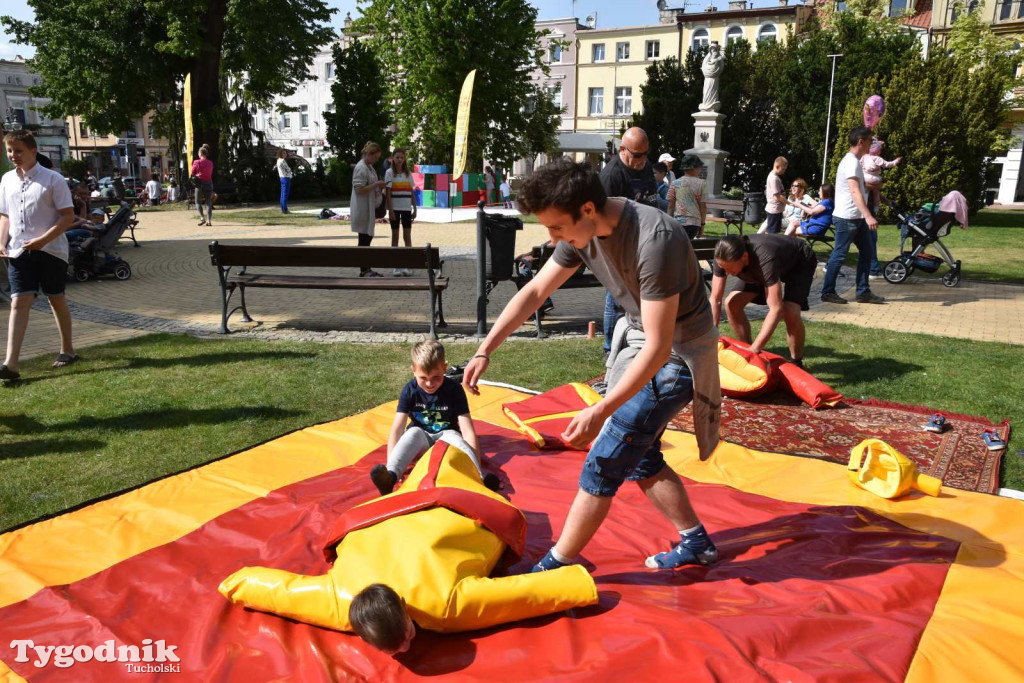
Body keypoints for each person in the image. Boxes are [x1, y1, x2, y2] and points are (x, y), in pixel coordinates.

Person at [463, 158, 723, 574]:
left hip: (681, 352)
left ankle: (556, 565)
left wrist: (600, 408)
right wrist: (485, 349)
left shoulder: (654, 240)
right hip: (644, 340)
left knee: (607, 454)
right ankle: (696, 542)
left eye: (556, 228)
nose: (552, 239)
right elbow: (534, 293)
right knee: (639, 455)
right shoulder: (579, 231)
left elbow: (659, 349)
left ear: (587, 209)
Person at [219, 437, 597, 654]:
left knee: (449, 453)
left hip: (443, 508)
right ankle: (449, 443)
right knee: (442, 461)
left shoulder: (444, 607)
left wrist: (577, 586)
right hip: (412, 513)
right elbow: (277, 591)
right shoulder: (341, 602)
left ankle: (452, 442)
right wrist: (575, 586)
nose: (407, 649)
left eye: (407, 637)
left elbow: (526, 595)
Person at [371, 339, 498, 495]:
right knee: (411, 433)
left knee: (457, 439)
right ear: (413, 370)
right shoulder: (410, 390)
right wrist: (391, 464)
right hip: (420, 438)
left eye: (436, 377)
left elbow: (467, 430)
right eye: (423, 378)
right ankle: (389, 478)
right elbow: (397, 429)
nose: (430, 384)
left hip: (446, 436)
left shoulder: (454, 389)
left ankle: (479, 477)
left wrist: (478, 464)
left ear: (444, 368)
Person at [0, 130, 78, 382]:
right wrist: (2, 241)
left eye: (18, 150)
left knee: (56, 298)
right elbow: (5, 216)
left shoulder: (53, 179)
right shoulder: (6, 180)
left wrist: (43, 240)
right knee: (19, 301)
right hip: (19, 251)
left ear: (33, 151)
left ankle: (67, 349)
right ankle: (11, 364)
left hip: (51, 250)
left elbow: (68, 216)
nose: (13, 155)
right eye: (10, 150)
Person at [709, 234, 817, 366]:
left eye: (730, 269)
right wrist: (711, 333)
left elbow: (776, 309)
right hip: (762, 267)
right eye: (723, 268)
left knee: (790, 310)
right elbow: (715, 299)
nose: (726, 272)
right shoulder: (722, 256)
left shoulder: (765, 258)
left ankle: (796, 361)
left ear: (744, 257)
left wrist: (756, 348)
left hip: (799, 262)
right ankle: (747, 350)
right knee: (732, 303)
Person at [599, 126, 659, 356]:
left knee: (640, 299)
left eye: (645, 154)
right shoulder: (611, 176)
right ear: (622, 149)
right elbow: (601, 217)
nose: (642, 160)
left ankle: (635, 341)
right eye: (636, 155)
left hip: (646, 242)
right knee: (616, 299)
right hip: (620, 245)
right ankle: (609, 347)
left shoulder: (644, 165)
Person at [821, 126, 884, 305]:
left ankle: (863, 292)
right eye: (870, 141)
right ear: (860, 142)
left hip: (856, 217)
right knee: (840, 254)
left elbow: (862, 190)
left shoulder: (856, 162)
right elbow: (855, 192)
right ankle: (828, 292)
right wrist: (869, 216)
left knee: (867, 251)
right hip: (847, 218)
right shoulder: (851, 163)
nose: (872, 144)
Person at [860, 139, 901, 278]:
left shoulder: (864, 161)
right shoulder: (862, 174)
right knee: (869, 238)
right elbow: (867, 186)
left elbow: (875, 190)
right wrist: (895, 161)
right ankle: (873, 268)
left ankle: (873, 268)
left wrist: (887, 201)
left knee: (870, 239)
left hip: (868, 209)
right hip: (864, 211)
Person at [351, 141, 387, 277]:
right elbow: (359, 189)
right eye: (375, 157)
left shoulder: (369, 167)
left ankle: (366, 268)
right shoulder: (361, 168)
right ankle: (364, 269)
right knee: (364, 238)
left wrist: (378, 186)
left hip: (368, 207)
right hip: (362, 208)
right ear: (368, 154)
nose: (376, 160)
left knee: (367, 237)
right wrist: (377, 184)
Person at [384, 147, 417, 275]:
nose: (399, 160)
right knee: (395, 237)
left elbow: (412, 192)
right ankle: (395, 265)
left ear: (404, 159)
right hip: (395, 209)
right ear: (393, 158)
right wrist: (390, 210)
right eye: (397, 157)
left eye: (401, 158)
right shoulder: (389, 173)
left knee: (407, 236)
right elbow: (388, 192)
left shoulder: (408, 174)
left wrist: (415, 208)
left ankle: (409, 265)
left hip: (406, 208)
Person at [667, 154, 707, 240]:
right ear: (695, 168)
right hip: (695, 223)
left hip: (679, 222)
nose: (701, 169)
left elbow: (670, 205)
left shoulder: (675, 183)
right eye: (700, 167)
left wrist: (669, 223)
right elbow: (703, 206)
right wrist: (702, 225)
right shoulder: (701, 183)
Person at [759, 157, 788, 234]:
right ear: (777, 166)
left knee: (773, 232)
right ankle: (767, 245)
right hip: (774, 209)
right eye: (783, 169)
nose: (784, 172)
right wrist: (789, 203)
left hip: (777, 209)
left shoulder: (775, 177)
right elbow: (777, 196)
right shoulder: (773, 178)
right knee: (772, 233)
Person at [190, 144, 215, 227]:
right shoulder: (210, 163)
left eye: (198, 152)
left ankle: (202, 218)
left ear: (200, 153)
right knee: (208, 202)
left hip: (199, 183)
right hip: (209, 182)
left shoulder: (197, 162)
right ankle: (209, 221)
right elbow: (210, 173)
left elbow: (192, 172)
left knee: (197, 201)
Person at [276, 149, 292, 214]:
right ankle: (285, 209)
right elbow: (288, 169)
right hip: (286, 178)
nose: (285, 154)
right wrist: (290, 170)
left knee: (282, 195)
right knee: (285, 194)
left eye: (285, 153)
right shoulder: (282, 160)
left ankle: (283, 208)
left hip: (282, 178)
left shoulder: (278, 160)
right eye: (283, 153)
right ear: (281, 154)